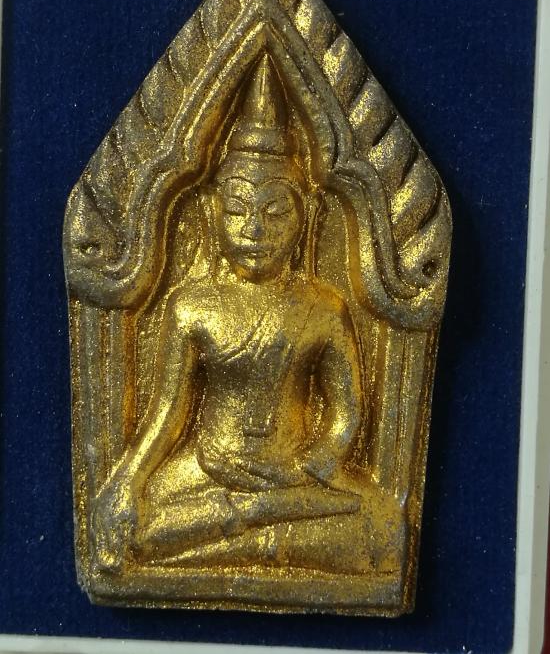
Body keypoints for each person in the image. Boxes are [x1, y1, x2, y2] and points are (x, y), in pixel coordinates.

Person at [93, 55, 404, 574]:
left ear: (305, 217)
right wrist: (129, 477)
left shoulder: (324, 308)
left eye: (275, 211)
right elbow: (169, 411)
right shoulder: (190, 305)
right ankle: (254, 532)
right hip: (207, 468)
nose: (254, 230)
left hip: (293, 478)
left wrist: (319, 459)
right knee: (129, 528)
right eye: (237, 210)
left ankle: (235, 533)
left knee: (383, 530)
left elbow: (348, 408)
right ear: (211, 213)